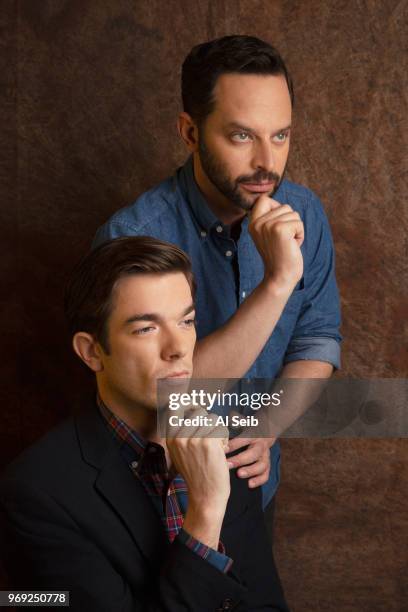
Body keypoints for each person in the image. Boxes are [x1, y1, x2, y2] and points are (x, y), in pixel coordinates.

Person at [93, 35, 341, 511]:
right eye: (242, 136)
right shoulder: (132, 237)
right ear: (190, 132)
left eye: (281, 135)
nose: (268, 162)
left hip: (255, 487)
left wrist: (267, 426)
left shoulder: (305, 213)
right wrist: (277, 284)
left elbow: (317, 339)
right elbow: (163, 392)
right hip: (158, 497)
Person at [0, 236, 289, 611]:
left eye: (186, 321)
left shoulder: (231, 445)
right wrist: (205, 509)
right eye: (146, 329)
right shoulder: (36, 494)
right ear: (92, 352)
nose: (178, 348)